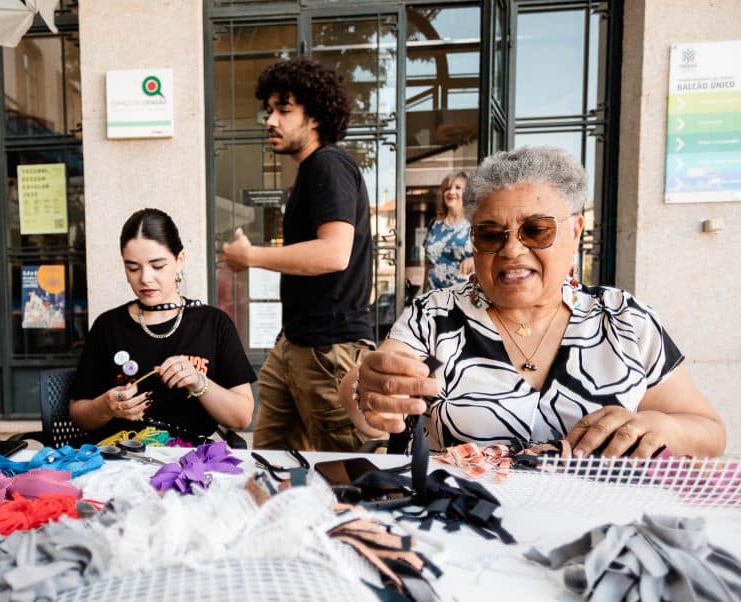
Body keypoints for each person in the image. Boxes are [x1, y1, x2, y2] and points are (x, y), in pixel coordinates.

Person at [341, 146, 725, 458]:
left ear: (576, 231)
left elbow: (708, 430)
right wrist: (367, 392)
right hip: (457, 519)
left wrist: (662, 427)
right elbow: (370, 384)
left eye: (536, 230)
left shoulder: (625, 320)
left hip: (602, 521)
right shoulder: (434, 316)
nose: (511, 249)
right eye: (491, 234)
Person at [222, 56, 374, 452]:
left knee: (345, 470)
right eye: (268, 110)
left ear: (315, 117)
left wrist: (251, 256)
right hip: (295, 343)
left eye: (284, 110)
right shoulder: (311, 171)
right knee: (270, 461)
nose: (270, 120)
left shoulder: (328, 164)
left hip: (329, 350)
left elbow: (334, 253)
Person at [69, 208, 254, 442]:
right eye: (133, 268)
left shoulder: (213, 324)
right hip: (121, 454)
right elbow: (79, 415)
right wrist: (104, 407)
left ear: (180, 260)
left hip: (189, 457)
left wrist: (199, 382)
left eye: (157, 266)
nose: (145, 278)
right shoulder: (108, 326)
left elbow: (242, 417)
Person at [423, 171, 473, 291]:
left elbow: (489, 258)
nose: (451, 192)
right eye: (447, 188)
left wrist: (474, 260)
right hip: (433, 295)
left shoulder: (474, 225)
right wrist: (423, 293)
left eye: (458, 188)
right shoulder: (434, 224)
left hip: (461, 295)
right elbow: (428, 264)